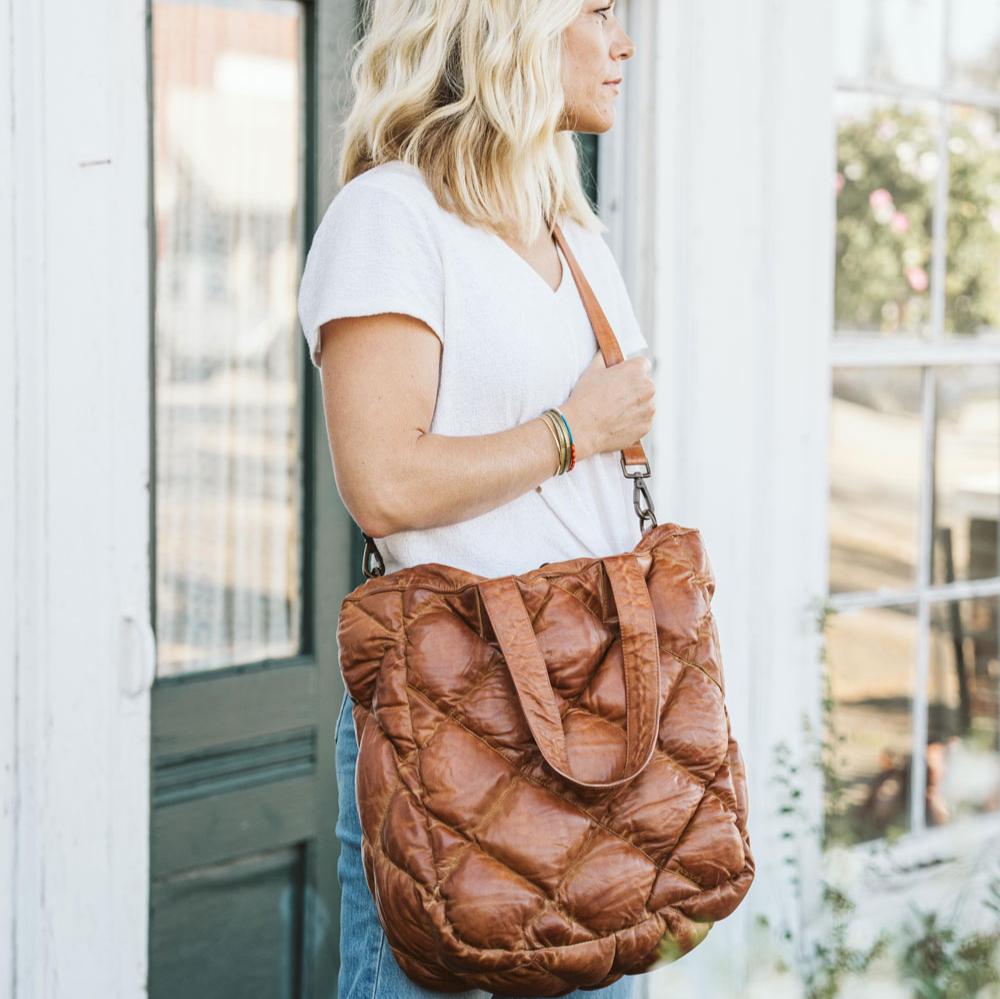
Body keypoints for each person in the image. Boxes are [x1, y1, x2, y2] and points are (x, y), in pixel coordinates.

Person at [297, 1, 655, 996]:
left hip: (596, 702)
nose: (621, 42)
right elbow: (384, 483)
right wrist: (570, 431)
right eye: (595, 11)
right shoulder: (392, 216)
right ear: (508, 27)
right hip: (458, 710)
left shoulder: (574, 235)